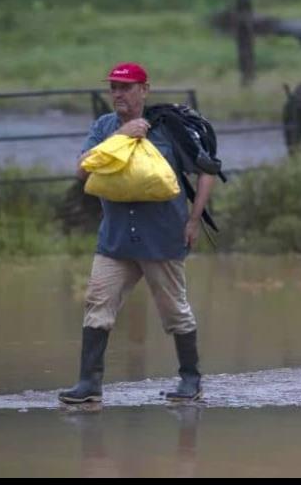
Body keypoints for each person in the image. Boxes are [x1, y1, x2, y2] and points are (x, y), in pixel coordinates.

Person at [59, 62, 215, 404]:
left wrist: (194, 220)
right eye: (114, 87)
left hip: (162, 237)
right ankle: (88, 384)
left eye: (126, 87)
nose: (118, 94)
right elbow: (82, 170)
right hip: (115, 239)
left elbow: (207, 171)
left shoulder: (168, 129)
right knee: (97, 303)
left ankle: (191, 380)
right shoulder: (104, 127)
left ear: (144, 90)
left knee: (174, 310)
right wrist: (121, 136)